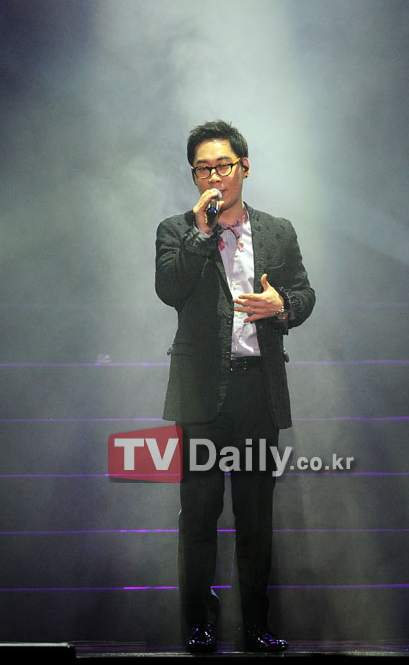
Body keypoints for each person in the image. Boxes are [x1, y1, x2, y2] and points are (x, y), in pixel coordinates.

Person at [155, 120, 315, 653]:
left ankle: (255, 626)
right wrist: (202, 233)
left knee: (255, 521)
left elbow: (305, 293)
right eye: (203, 169)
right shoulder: (177, 230)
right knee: (199, 518)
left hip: (256, 390)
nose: (214, 176)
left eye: (223, 165)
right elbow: (170, 288)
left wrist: (282, 305)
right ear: (193, 176)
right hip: (201, 394)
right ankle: (197, 625)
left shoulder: (277, 231)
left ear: (244, 167)